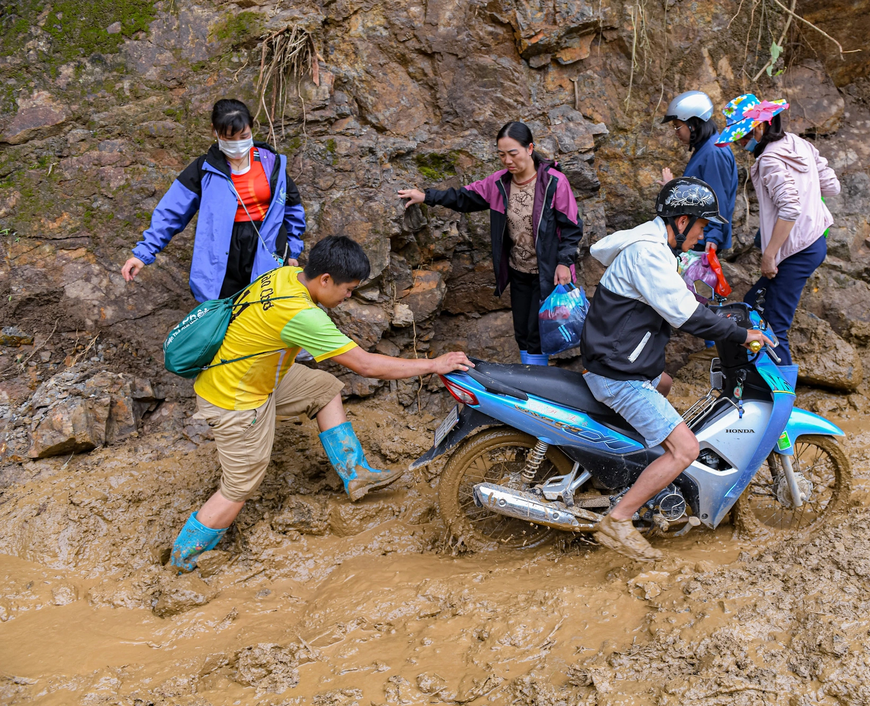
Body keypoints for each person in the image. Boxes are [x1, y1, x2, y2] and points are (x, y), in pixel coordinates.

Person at [168, 235, 473, 572]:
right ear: (325, 279)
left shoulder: (284, 275)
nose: (348, 296)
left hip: (255, 376)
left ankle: (356, 474)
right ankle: (183, 560)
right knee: (240, 486)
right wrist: (433, 364)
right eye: (347, 289)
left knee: (323, 387)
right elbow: (367, 365)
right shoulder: (302, 314)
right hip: (237, 399)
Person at [581, 177, 774, 561]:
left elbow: (680, 301)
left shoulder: (652, 247)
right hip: (620, 375)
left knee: (666, 382)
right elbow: (685, 314)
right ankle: (618, 520)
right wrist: (740, 333)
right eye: (702, 226)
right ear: (682, 221)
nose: (702, 236)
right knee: (685, 448)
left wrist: (718, 314)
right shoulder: (648, 255)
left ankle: (624, 471)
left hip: (620, 362)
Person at [398, 122, 583, 366]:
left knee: (537, 332)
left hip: (548, 272)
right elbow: (464, 198)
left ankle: (536, 384)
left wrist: (563, 262)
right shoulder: (499, 184)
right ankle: (530, 378)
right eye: (501, 154)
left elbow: (572, 226)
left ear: (529, 148)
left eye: (512, 153)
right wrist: (426, 196)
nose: (507, 160)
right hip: (519, 270)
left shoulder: (553, 183)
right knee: (522, 333)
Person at [122, 99, 306, 302]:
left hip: (267, 247)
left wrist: (292, 250)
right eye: (229, 138)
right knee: (223, 313)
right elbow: (171, 212)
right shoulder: (204, 169)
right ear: (215, 132)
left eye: (243, 136)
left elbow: (292, 208)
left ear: (252, 128)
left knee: (264, 309)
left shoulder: (272, 163)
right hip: (222, 252)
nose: (237, 143)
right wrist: (143, 254)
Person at [716, 94, 841, 366]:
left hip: (794, 250)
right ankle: (752, 368)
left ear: (759, 127)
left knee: (774, 326)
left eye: (742, 136)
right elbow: (832, 186)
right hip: (814, 241)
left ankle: (782, 393)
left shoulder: (770, 159)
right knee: (752, 302)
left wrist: (769, 254)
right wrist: (806, 190)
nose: (740, 143)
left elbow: (790, 209)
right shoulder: (799, 144)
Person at [660, 91, 738, 253]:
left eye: (677, 125)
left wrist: (713, 236)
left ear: (692, 124)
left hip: (702, 240)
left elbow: (717, 197)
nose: (676, 132)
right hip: (696, 236)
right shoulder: (705, 148)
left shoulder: (713, 152)